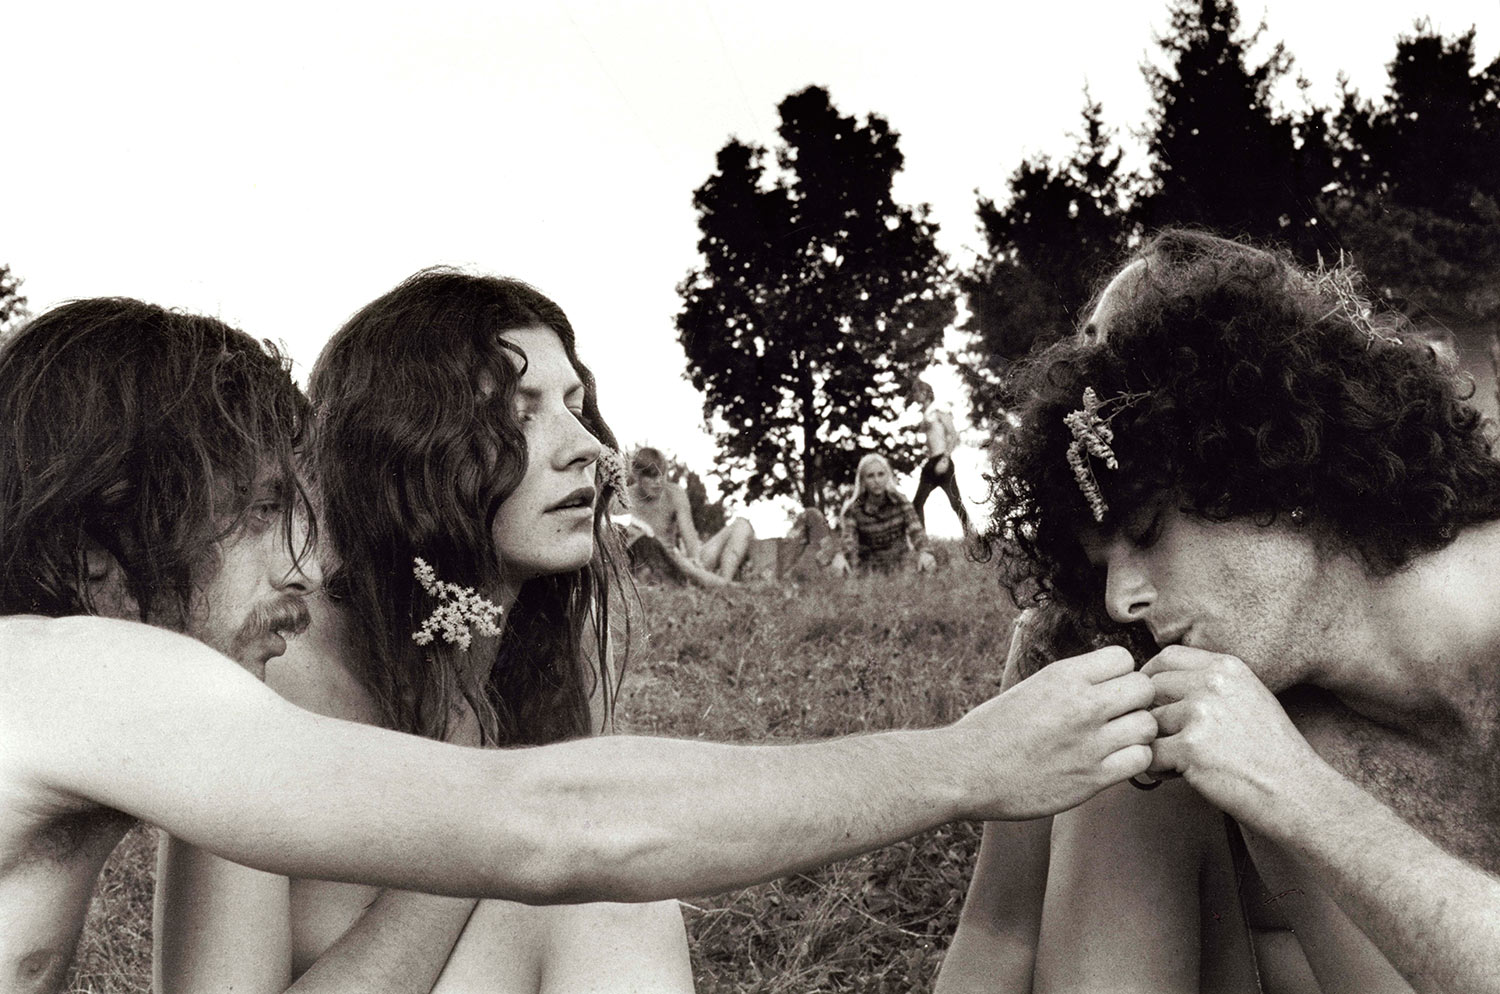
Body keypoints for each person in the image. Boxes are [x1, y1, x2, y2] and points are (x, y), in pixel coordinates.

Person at [0, 295, 1159, 992]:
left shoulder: (75, 694)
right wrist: (967, 760)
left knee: (602, 901)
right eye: (259, 512)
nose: (303, 561)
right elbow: (564, 824)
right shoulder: (82, 678)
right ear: (104, 544)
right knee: (596, 886)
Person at [945, 229, 1500, 993]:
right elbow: (997, 927)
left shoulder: (1281, 759)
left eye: (1149, 531)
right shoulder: (1255, 721)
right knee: (1129, 742)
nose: (1120, 599)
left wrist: (1300, 797)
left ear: (1280, 466)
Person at [155, 272, 693, 992]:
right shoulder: (266, 676)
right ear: (409, 452)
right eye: (520, 416)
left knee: (605, 889)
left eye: (576, 406)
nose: (587, 446)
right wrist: (481, 801)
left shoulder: (550, 647)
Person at [623, 447, 837, 586]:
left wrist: (695, 559)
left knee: (742, 524)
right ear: (637, 476)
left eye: (662, 475)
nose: (658, 482)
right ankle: (723, 585)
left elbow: (689, 534)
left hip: (684, 561)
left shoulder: (674, 493)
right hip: (657, 568)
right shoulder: (623, 498)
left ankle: (722, 583)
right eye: (651, 477)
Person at [833, 453, 935, 575]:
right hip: (869, 567)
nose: (877, 481)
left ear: (887, 476)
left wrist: (924, 552)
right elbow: (848, 539)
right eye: (870, 476)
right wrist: (841, 555)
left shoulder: (901, 501)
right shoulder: (854, 509)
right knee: (839, 566)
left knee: (929, 562)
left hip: (901, 563)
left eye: (881, 474)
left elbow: (916, 530)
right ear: (863, 480)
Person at [909, 380, 971, 534]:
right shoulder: (926, 414)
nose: (915, 395)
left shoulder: (938, 410)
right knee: (917, 503)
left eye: (917, 392)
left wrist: (945, 458)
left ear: (925, 393)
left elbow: (954, 435)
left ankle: (971, 534)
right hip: (931, 462)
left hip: (943, 460)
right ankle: (922, 540)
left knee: (955, 502)